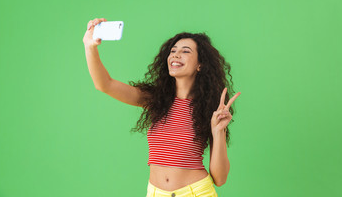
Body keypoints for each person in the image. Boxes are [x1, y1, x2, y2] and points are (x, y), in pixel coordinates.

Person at [83, 18, 241, 197]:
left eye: (185, 51)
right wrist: (90, 46)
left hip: (196, 192)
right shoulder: (156, 99)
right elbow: (105, 84)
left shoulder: (209, 110)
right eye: (173, 51)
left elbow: (220, 179)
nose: (175, 55)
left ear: (200, 65)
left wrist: (218, 130)